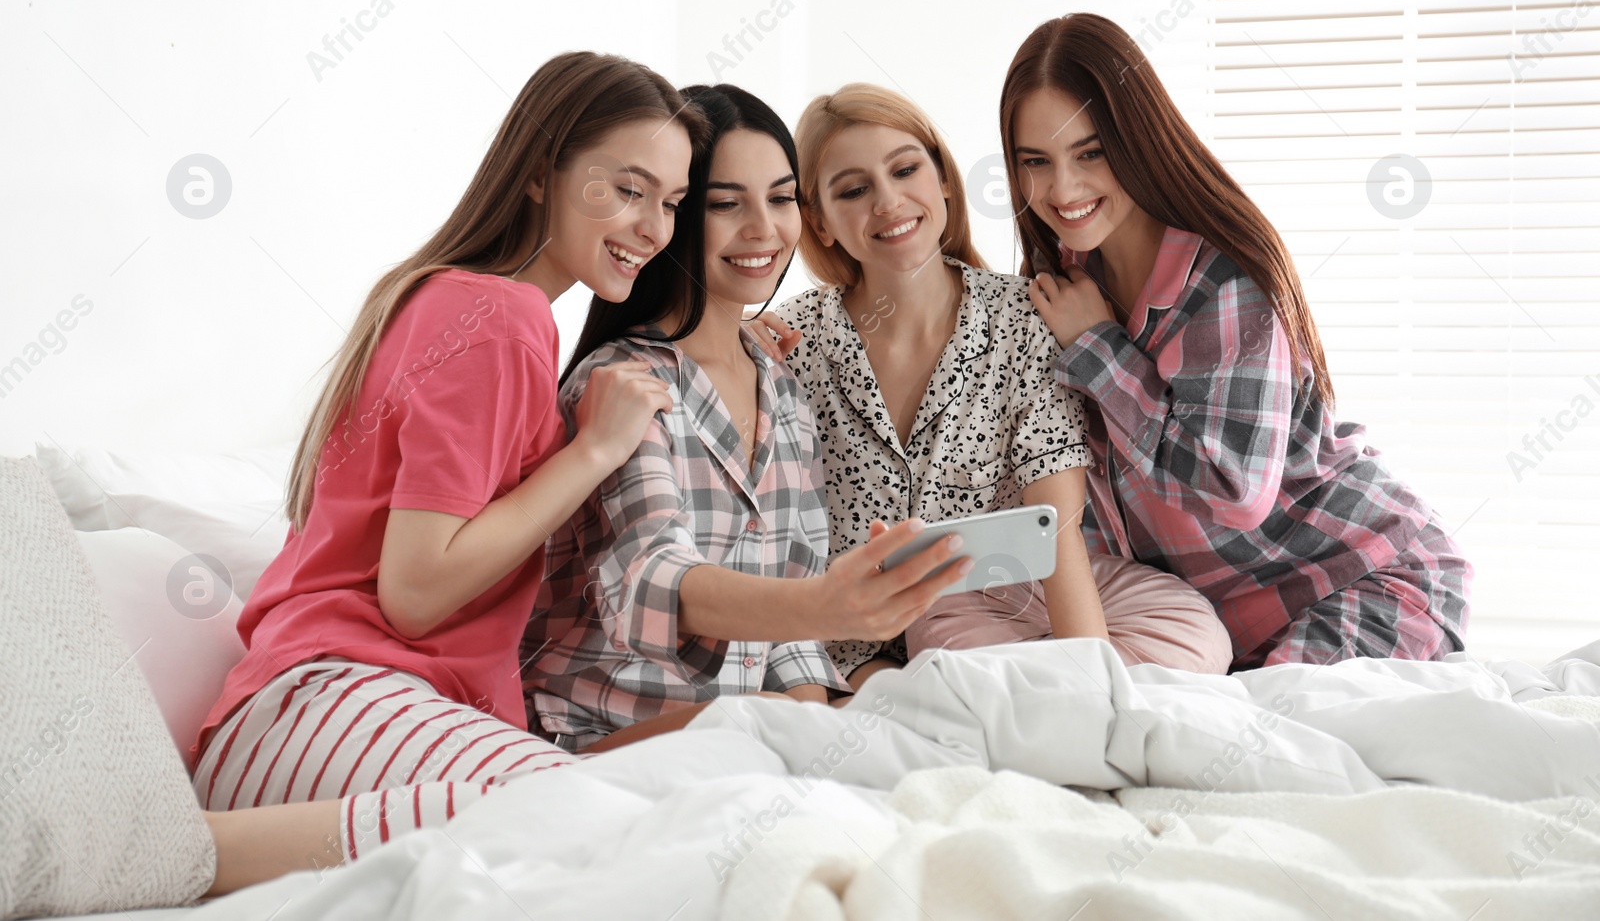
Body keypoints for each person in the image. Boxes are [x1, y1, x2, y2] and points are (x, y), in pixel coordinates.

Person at [189, 52, 709, 895]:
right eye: (627, 188)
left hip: (301, 730)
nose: (654, 228)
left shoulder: (447, 298)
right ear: (544, 174)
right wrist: (593, 450)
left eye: (673, 203)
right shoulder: (502, 317)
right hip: (325, 708)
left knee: (632, 812)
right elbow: (418, 589)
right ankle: (175, 851)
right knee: (590, 820)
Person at [1004, 12, 1471, 671]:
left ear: (1135, 140)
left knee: (1275, 747)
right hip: (1228, 622)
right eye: (1036, 161)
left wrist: (1102, 348)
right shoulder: (1068, 284)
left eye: (1090, 152)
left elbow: (1234, 490)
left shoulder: (1223, 281)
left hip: (1365, 572)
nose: (1063, 189)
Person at [523, 84, 966, 751]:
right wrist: (825, 604)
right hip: (598, 739)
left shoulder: (783, 391)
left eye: (782, 197)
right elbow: (650, 580)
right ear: (674, 215)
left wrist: (814, 729)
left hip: (742, 736)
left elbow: (791, 642)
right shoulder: (621, 385)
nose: (764, 228)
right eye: (726, 204)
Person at [758, 83, 1233, 690]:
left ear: (945, 183)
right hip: (854, 637)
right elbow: (778, 540)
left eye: (905, 170)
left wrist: (1093, 687)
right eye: (853, 190)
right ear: (818, 223)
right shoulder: (793, 342)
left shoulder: (1023, 318)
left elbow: (1055, 526)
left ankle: (1016, 700)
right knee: (942, 677)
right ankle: (974, 702)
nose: (888, 201)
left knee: (1196, 635)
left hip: (1008, 608)